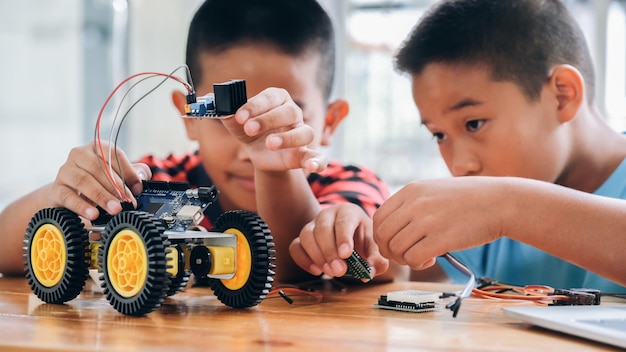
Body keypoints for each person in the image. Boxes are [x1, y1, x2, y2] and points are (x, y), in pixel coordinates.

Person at [0, 0, 391, 283]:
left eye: (283, 121)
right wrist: (66, 193)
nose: (247, 147)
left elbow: (298, 266)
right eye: (227, 118)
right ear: (189, 115)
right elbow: (6, 248)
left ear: (331, 120)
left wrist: (276, 168)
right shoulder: (158, 183)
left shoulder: (350, 190)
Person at [373, 0, 626, 292]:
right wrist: (351, 237)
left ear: (562, 95)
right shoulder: (493, 203)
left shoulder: (500, 203)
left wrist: (507, 207)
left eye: (474, 124)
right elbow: (390, 268)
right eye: (439, 135)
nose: (459, 166)